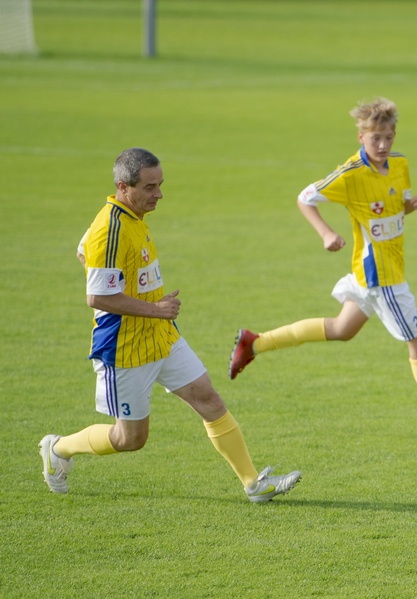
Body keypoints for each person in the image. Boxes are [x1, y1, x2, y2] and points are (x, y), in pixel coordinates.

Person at [40, 148, 301, 503]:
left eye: (160, 184)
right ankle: (59, 449)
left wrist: (154, 311)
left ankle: (254, 485)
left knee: (208, 399)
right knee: (130, 440)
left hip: (162, 338)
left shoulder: (129, 215)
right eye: (150, 187)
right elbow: (98, 298)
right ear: (123, 187)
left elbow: (83, 250)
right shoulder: (110, 229)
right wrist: (156, 308)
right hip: (125, 348)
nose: (159, 194)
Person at [229, 97, 417, 441]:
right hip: (380, 277)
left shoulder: (399, 164)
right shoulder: (350, 175)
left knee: (342, 329)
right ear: (361, 137)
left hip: (380, 269)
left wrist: (412, 206)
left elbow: (393, 211)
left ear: (394, 134)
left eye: (388, 137)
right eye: (375, 139)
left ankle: (255, 343)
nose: (382, 146)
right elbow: (305, 197)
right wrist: (326, 233)